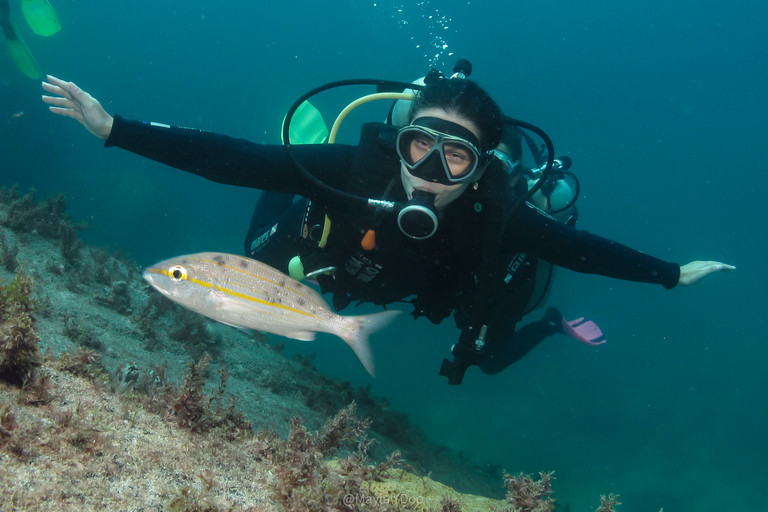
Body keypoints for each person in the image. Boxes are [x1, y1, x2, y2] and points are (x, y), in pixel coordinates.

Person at [40, 72, 735, 384]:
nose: (429, 170)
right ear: (400, 140)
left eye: (455, 154)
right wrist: (114, 130)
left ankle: (547, 323)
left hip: (414, 289)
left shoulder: (500, 218)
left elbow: (584, 250)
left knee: (487, 358)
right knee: (268, 213)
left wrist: (673, 274)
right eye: (419, 145)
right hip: (326, 260)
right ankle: (294, 210)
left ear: (478, 166)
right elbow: (231, 161)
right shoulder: (358, 167)